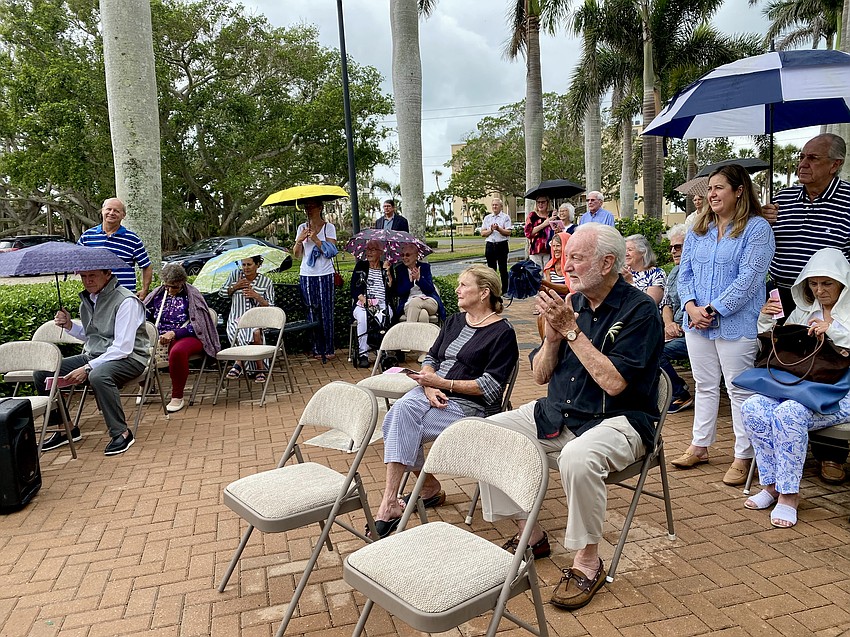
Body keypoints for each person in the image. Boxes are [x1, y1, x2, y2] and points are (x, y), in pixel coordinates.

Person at [477, 223, 663, 611]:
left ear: (607, 263)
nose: (566, 265)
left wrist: (573, 333)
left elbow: (614, 384)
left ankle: (587, 560)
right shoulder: (571, 306)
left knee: (577, 458)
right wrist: (552, 337)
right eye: (565, 256)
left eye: (576, 258)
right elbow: (540, 376)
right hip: (559, 413)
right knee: (487, 433)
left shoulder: (641, 311)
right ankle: (531, 534)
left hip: (620, 419)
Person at [371, 264, 519, 538]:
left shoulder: (502, 333)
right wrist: (428, 386)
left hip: (467, 406)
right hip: (431, 394)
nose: (457, 289)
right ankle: (399, 498)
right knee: (401, 414)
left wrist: (441, 383)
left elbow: (490, 387)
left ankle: (403, 497)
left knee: (397, 419)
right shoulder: (454, 321)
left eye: (464, 285)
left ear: (484, 292)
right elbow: (431, 359)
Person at [672, 164, 775, 486]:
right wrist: (690, 307)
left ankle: (743, 456)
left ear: (739, 190)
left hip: (735, 323)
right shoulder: (697, 230)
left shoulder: (757, 229)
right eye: (710, 189)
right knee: (704, 385)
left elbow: (750, 279)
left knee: (739, 390)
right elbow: (684, 274)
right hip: (696, 322)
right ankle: (699, 445)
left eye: (719, 188)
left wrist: (712, 309)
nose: (712, 194)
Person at [763, 133, 850, 484]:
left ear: (835, 164)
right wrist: (765, 221)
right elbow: (768, 245)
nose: (803, 164)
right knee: (790, 364)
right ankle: (785, 439)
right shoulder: (783, 198)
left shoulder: (848, 200)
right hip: (787, 295)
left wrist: (835, 290)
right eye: (802, 156)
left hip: (835, 298)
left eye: (813, 158)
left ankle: (832, 454)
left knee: (830, 366)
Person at [741, 248, 850, 528]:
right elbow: (778, 347)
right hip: (801, 388)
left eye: (827, 283)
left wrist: (833, 330)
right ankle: (772, 485)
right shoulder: (804, 311)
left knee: (788, 413)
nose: (819, 290)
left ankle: (789, 495)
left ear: (843, 283)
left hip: (841, 394)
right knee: (753, 407)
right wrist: (767, 318)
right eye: (813, 283)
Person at [37, 269, 150, 456]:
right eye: (83, 277)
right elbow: (93, 336)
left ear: (107, 274)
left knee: (98, 375)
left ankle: (122, 432)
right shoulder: (89, 300)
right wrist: (69, 326)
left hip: (131, 359)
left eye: (92, 276)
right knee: (43, 372)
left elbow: (123, 347)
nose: (87, 281)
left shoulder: (126, 301)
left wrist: (88, 367)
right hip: (96, 356)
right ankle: (66, 429)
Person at [143, 263, 220, 413]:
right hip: (160, 336)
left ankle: (177, 396)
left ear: (181, 283)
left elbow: (200, 324)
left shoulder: (192, 296)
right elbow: (145, 316)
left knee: (177, 351)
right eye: (167, 286)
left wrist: (175, 333)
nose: (170, 290)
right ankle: (144, 386)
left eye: (174, 287)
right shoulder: (158, 295)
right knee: (137, 345)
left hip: (189, 336)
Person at [77, 197, 153, 299]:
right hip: (95, 297)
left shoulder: (132, 239)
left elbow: (146, 266)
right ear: (102, 210)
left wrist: (144, 290)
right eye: (109, 209)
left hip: (124, 297)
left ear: (123, 215)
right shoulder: (87, 237)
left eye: (116, 211)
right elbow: (76, 260)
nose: (111, 213)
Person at [293, 198, 337, 360]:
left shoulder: (329, 227)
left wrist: (317, 240)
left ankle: (329, 348)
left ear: (320, 208)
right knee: (311, 311)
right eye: (307, 207)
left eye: (312, 206)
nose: (308, 209)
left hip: (325, 274)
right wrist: (300, 240)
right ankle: (316, 348)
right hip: (307, 275)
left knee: (326, 311)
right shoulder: (301, 228)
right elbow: (297, 255)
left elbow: (331, 251)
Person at [220, 255, 275, 381]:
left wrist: (256, 296)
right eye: (243, 264)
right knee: (243, 332)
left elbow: (271, 306)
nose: (245, 268)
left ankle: (238, 363)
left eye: (249, 264)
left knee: (255, 330)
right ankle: (259, 370)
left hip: (257, 318)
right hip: (237, 318)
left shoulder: (266, 282)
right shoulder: (235, 275)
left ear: (257, 265)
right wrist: (235, 287)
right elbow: (222, 293)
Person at [659, 224, 693, 413]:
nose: (673, 251)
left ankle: (679, 393)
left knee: (656, 353)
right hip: (675, 330)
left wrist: (680, 327)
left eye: (678, 246)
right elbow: (666, 304)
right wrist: (668, 323)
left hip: (692, 333)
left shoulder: (698, 271)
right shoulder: (674, 272)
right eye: (671, 247)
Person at [351, 240, 391, 368]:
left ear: (380, 253)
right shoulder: (361, 266)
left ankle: (381, 352)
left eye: (373, 250)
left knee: (382, 317)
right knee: (363, 318)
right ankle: (363, 354)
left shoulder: (385, 266)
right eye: (367, 249)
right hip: (362, 304)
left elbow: (392, 289)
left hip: (382, 304)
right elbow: (354, 288)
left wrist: (388, 273)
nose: (369, 252)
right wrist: (363, 299)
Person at [390, 243, 445, 324]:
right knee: (423, 315)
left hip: (429, 301)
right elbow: (399, 292)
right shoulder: (400, 270)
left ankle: (407, 333)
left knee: (415, 301)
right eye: (403, 255)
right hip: (408, 302)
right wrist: (410, 281)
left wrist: (419, 279)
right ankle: (426, 337)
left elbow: (430, 289)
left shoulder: (425, 267)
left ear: (416, 256)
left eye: (407, 255)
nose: (405, 258)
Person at [537, 231, 570, 339]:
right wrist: (537, 285)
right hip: (554, 302)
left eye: (559, 246)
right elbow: (547, 289)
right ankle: (545, 345)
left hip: (569, 301)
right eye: (554, 246)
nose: (555, 249)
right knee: (542, 316)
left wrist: (545, 283)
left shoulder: (571, 266)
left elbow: (567, 289)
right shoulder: (549, 266)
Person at [623, 234, 666, 306]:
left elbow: (648, 305)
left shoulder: (656, 274)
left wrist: (630, 283)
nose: (626, 254)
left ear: (643, 252)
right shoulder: (624, 273)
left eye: (630, 250)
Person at [480, 198, 512, 292]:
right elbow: (483, 233)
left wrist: (498, 229)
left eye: (496, 205)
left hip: (501, 245)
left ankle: (505, 290)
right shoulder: (487, 218)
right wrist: (491, 230)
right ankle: (493, 289)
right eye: (493, 205)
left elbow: (508, 232)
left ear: (501, 206)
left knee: (503, 268)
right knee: (491, 270)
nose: (494, 207)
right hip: (490, 245)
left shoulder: (505, 217)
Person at [524, 195, 553, 269]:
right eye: (538, 202)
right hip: (535, 249)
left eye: (543, 202)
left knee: (548, 273)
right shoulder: (532, 216)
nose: (540, 204)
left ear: (547, 203)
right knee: (537, 274)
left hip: (549, 249)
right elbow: (528, 233)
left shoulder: (552, 215)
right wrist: (544, 224)